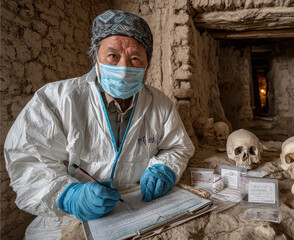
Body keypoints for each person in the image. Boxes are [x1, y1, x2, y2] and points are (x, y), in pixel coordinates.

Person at [4, 10, 195, 240]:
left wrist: (163, 168)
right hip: (66, 218)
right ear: (96, 57)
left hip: (139, 210)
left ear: (147, 63)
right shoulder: (55, 99)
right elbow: (26, 160)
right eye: (113, 56)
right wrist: (69, 196)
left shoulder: (160, 104)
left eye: (135, 58)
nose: (124, 67)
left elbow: (178, 147)